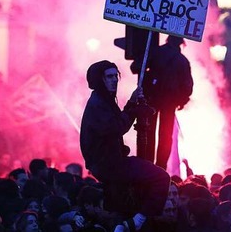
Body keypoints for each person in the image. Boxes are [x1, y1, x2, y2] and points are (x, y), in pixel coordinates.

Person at [80, 60, 170, 232]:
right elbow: (117, 127)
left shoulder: (104, 100)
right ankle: (138, 220)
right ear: (99, 79)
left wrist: (131, 103)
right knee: (161, 178)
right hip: (109, 164)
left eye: (116, 76)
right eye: (109, 76)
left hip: (111, 162)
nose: (114, 80)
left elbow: (118, 123)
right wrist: (134, 111)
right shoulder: (98, 103)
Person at [133, 35, 193, 169]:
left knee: (148, 132)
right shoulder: (182, 61)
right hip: (170, 103)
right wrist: (182, 100)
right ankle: (160, 167)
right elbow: (187, 85)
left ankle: (146, 164)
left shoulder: (155, 52)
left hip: (151, 99)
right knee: (166, 136)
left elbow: (135, 66)